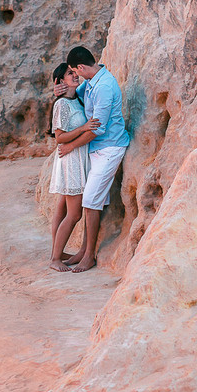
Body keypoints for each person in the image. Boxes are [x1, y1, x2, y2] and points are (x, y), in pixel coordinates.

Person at [54, 46, 130, 273]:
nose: (75, 76)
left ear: (81, 67)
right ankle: (82, 251)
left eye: (74, 72)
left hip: (109, 148)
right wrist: (60, 88)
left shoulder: (104, 86)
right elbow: (75, 94)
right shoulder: (92, 81)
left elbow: (98, 128)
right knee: (90, 202)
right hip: (94, 151)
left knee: (89, 202)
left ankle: (89, 255)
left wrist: (69, 146)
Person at [46, 63, 100, 272]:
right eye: (70, 74)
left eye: (74, 72)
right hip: (71, 160)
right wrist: (85, 127)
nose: (75, 75)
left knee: (62, 206)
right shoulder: (62, 105)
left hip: (79, 157)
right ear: (61, 81)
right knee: (75, 213)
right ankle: (55, 259)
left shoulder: (76, 98)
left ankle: (56, 253)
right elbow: (59, 137)